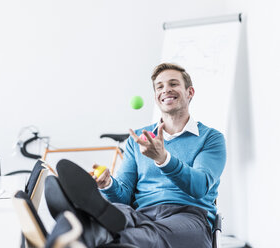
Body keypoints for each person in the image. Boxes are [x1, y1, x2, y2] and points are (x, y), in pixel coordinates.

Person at [45, 62, 226, 248]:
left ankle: (83, 229)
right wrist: (107, 184)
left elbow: (199, 186)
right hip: (141, 213)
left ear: (190, 92)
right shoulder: (138, 139)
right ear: (156, 97)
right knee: (111, 213)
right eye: (160, 86)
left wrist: (163, 159)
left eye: (173, 84)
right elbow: (123, 195)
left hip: (189, 218)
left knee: (139, 235)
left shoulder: (211, 138)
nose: (166, 90)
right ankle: (75, 221)